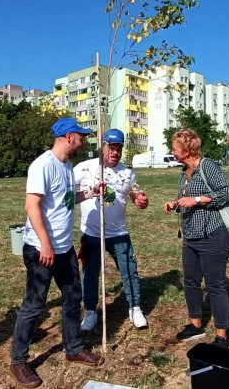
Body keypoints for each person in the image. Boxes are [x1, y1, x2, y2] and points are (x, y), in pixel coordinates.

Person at [10, 117, 105, 388]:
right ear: (68, 137)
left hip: (64, 248)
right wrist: (46, 243)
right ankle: (18, 361)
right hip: (42, 248)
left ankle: (73, 348)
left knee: (72, 298)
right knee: (35, 304)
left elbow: (65, 200)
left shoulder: (66, 167)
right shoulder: (42, 165)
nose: (83, 140)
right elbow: (32, 206)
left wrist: (90, 193)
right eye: (81, 136)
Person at [163, 128, 229, 349]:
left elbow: (226, 193)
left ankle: (221, 335)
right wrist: (175, 203)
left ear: (186, 149)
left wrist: (197, 199)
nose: (172, 152)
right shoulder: (184, 172)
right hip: (191, 235)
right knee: (191, 282)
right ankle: (196, 324)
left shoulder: (208, 166)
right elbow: (185, 197)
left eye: (175, 148)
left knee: (215, 285)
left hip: (213, 234)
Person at [74, 129, 150, 331]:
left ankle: (135, 308)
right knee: (90, 273)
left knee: (129, 271)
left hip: (119, 234)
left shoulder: (127, 173)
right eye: (111, 148)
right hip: (92, 234)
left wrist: (142, 200)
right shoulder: (84, 168)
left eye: (119, 149)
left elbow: (137, 195)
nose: (115, 153)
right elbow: (66, 192)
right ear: (103, 147)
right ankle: (90, 311)